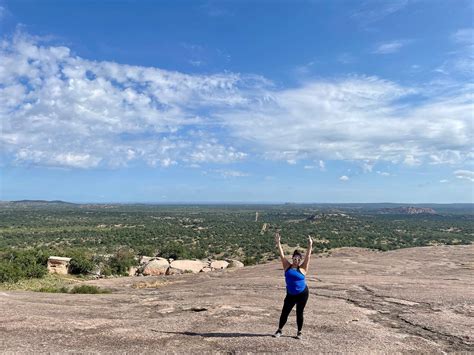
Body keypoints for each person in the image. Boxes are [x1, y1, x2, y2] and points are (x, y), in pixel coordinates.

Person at [273, 231, 313, 340]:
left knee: (299, 313)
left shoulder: (303, 268)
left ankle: (299, 332)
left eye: (298, 259)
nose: (296, 260)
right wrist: (278, 242)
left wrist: (310, 244)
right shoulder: (287, 266)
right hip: (290, 294)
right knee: (284, 312)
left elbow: (308, 256)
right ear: (292, 259)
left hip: (302, 294)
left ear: (300, 260)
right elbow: (281, 255)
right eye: (294, 258)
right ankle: (279, 330)